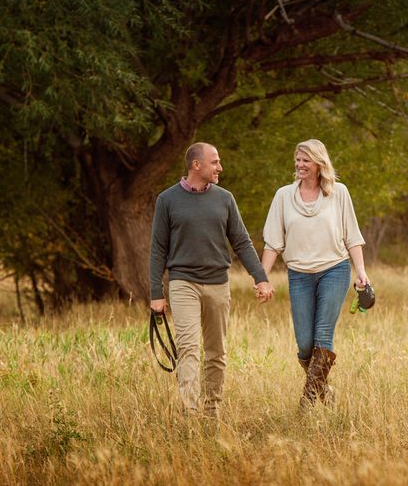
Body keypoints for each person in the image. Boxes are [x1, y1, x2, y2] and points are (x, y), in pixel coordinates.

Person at [149, 142, 273, 418]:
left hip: (218, 283)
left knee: (216, 351)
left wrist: (261, 278)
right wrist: (156, 292)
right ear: (196, 165)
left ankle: (212, 409)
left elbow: (241, 242)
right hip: (183, 283)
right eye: (215, 162)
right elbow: (158, 248)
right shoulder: (167, 200)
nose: (220, 167)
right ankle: (190, 411)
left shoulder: (225, 198)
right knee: (189, 347)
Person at [260, 139, 370, 407]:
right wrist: (262, 277)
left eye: (305, 160)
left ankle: (307, 401)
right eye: (298, 160)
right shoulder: (283, 196)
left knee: (323, 335)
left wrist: (361, 272)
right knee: (305, 343)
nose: (299, 165)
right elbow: (273, 241)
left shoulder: (339, 192)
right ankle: (324, 390)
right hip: (299, 275)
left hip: (335, 270)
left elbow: (352, 235)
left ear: (319, 164)